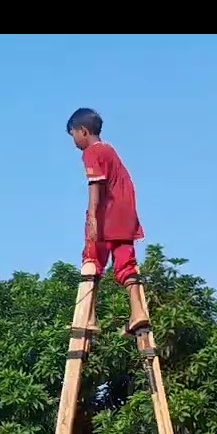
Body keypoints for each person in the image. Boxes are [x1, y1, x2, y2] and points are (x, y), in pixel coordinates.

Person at [66, 107, 148, 334]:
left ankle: (89, 318)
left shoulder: (92, 152)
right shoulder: (111, 151)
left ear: (82, 131)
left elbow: (96, 184)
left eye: (73, 135)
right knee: (125, 262)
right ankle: (138, 312)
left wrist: (92, 216)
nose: (74, 141)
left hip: (106, 215)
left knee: (92, 261)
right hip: (126, 215)